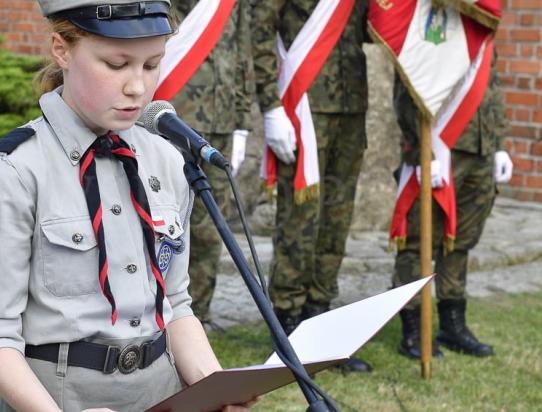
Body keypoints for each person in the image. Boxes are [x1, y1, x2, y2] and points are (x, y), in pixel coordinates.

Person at [0, 1, 257, 410]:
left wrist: (215, 388)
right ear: (61, 50)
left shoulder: (167, 159)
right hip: (59, 399)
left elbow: (176, 303)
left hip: (163, 392)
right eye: (116, 65)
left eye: (151, 64)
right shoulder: (16, 172)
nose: (137, 86)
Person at [251, 0, 372, 373]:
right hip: (304, 103)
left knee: (337, 220)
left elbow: (376, 25)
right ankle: (287, 323)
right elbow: (260, 30)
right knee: (300, 222)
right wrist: (271, 107)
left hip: (351, 103)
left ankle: (320, 317)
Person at [392, 60, 512, 359]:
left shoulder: (482, 22)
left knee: (461, 241)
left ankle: (452, 324)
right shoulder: (431, 23)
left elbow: (490, 83)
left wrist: (498, 143)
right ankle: (414, 329)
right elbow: (407, 85)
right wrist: (422, 149)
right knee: (418, 240)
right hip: (439, 145)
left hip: (480, 146)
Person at [169, 0, 256, 330]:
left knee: (209, 226)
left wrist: (243, 120)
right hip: (173, 114)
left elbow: (241, 52)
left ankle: (197, 315)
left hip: (220, 121)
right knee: (161, 222)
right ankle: (151, 316)